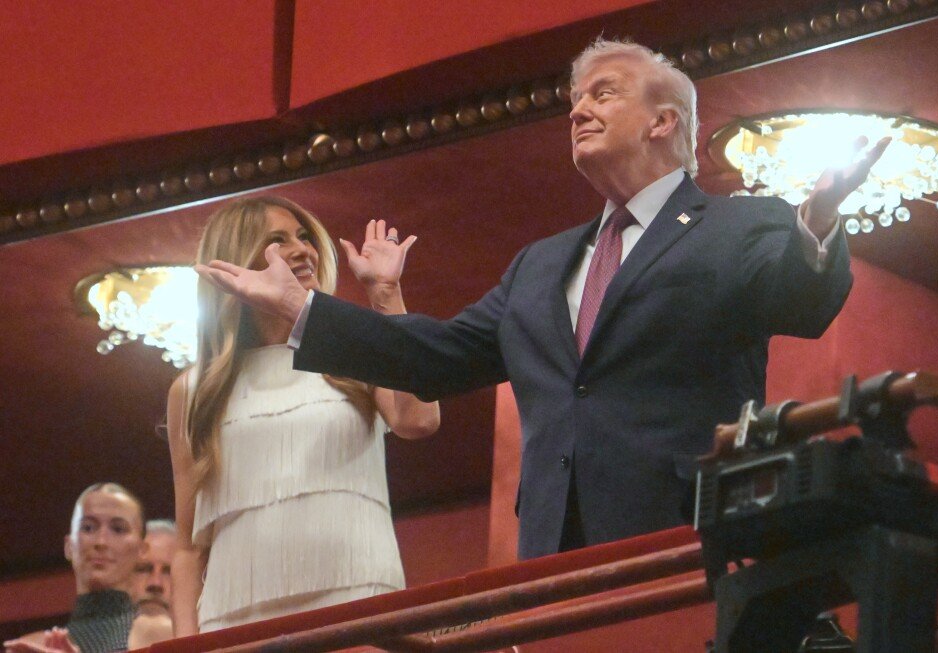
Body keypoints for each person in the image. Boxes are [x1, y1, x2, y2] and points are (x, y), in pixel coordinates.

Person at [195, 38, 888, 560]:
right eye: (576, 99)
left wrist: (820, 218)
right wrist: (300, 309)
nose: (578, 110)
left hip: (686, 536)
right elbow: (433, 357)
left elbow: (804, 303)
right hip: (556, 551)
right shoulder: (540, 264)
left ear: (663, 121)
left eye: (603, 94)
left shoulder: (739, 224)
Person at [167, 197, 440, 634]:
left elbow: (419, 420)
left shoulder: (351, 349)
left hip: (358, 596)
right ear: (239, 259)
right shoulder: (195, 389)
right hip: (236, 617)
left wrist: (386, 294)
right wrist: (186, 644)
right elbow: (187, 548)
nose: (302, 250)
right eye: (278, 241)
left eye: (304, 237)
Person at [3, 483, 168, 653]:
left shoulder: (162, 634)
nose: (101, 542)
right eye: (88, 527)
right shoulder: (33, 647)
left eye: (118, 529)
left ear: (142, 550)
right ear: (68, 546)